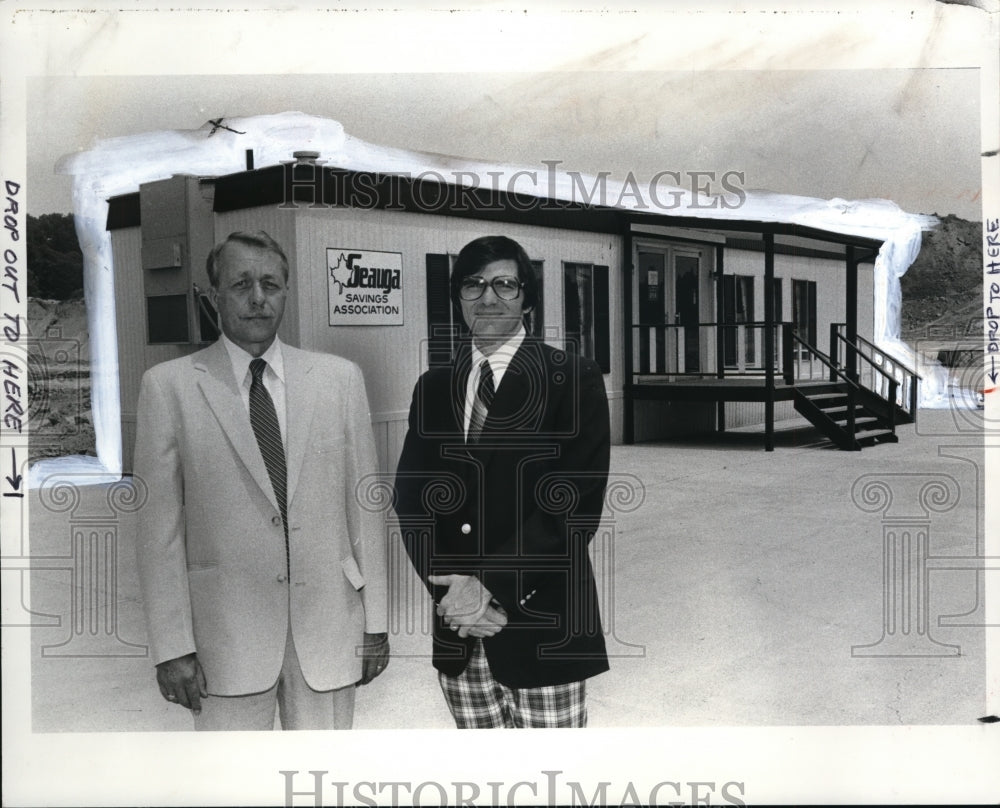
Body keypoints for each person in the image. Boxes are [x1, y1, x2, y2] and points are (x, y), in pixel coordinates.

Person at [133, 230, 388, 731]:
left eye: (270, 284)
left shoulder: (339, 379)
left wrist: (375, 624)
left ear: (286, 292)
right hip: (224, 641)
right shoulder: (169, 387)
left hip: (329, 630)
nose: (257, 298)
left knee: (323, 784)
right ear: (214, 297)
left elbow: (367, 514)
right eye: (240, 284)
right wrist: (172, 646)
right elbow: (157, 533)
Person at [393, 234, 611, 728]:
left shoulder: (571, 379)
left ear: (528, 299)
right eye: (473, 284)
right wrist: (455, 597)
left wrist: (488, 589)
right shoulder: (433, 388)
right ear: (458, 298)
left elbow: (572, 506)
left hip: (541, 626)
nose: (487, 297)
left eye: (504, 284)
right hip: (458, 632)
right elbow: (412, 501)